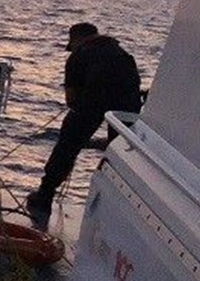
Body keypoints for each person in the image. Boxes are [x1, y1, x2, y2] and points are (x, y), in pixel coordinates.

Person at [25, 22, 141, 229]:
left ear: (76, 39)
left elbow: (71, 98)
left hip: (90, 104)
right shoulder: (122, 54)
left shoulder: (78, 56)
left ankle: (45, 195)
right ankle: (115, 205)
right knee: (121, 157)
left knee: (66, 147)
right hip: (126, 109)